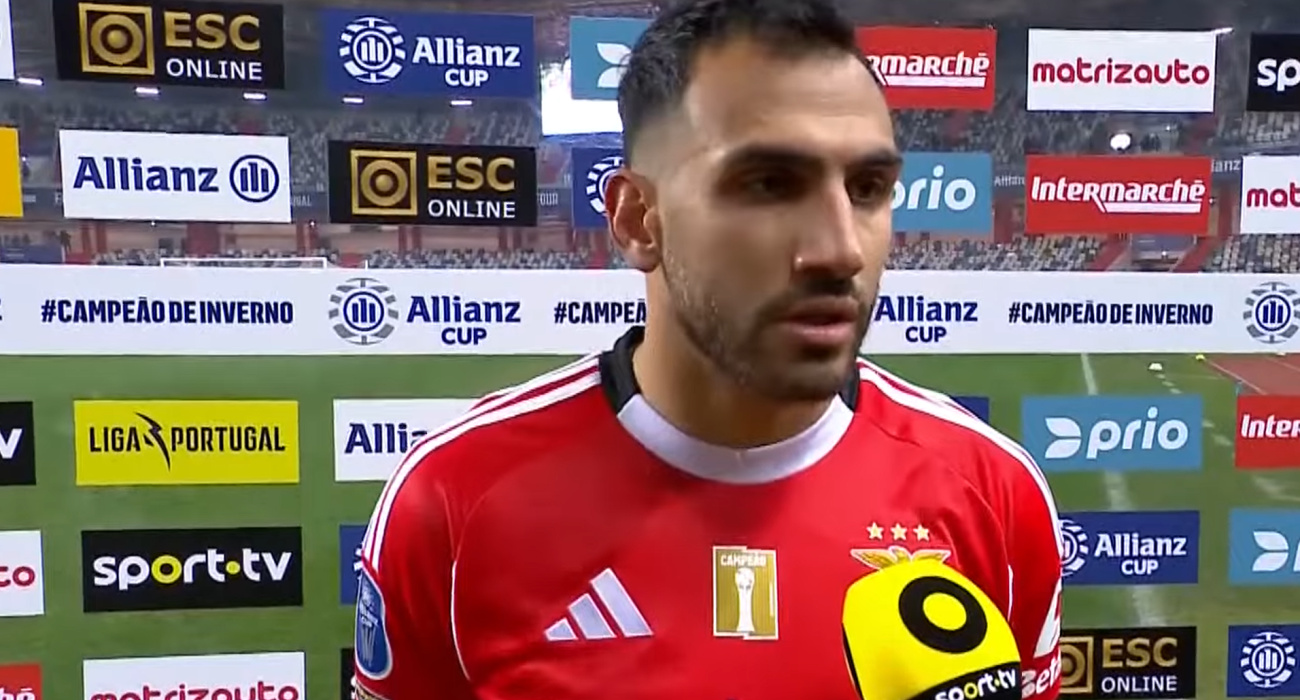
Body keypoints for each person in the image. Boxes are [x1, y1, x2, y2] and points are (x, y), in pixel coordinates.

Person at [352, 0, 1063, 698]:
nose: (841, 249)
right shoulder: (450, 501)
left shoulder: (994, 495)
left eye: (868, 188)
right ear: (638, 220)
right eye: (769, 185)